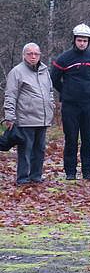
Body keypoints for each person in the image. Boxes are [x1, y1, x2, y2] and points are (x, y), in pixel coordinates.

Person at [50, 23, 90, 180]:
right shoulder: (63, 59)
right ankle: (70, 172)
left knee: (88, 139)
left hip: (89, 105)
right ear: (74, 40)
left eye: (85, 40)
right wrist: (67, 91)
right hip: (70, 105)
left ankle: (88, 171)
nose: (82, 43)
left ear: (89, 41)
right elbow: (54, 79)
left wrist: (88, 90)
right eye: (79, 40)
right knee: (71, 139)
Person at [3, 43, 54, 185]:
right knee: (25, 151)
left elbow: (50, 92)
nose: (33, 56)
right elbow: (10, 95)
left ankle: (36, 176)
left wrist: (51, 106)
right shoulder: (17, 72)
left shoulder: (44, 71)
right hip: (25, 119)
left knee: (40, 150)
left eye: (36, 54)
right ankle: (23, 179)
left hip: (42, 119)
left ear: (40, 55)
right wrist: (9, 116)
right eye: (29, 53)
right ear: (24, 55)